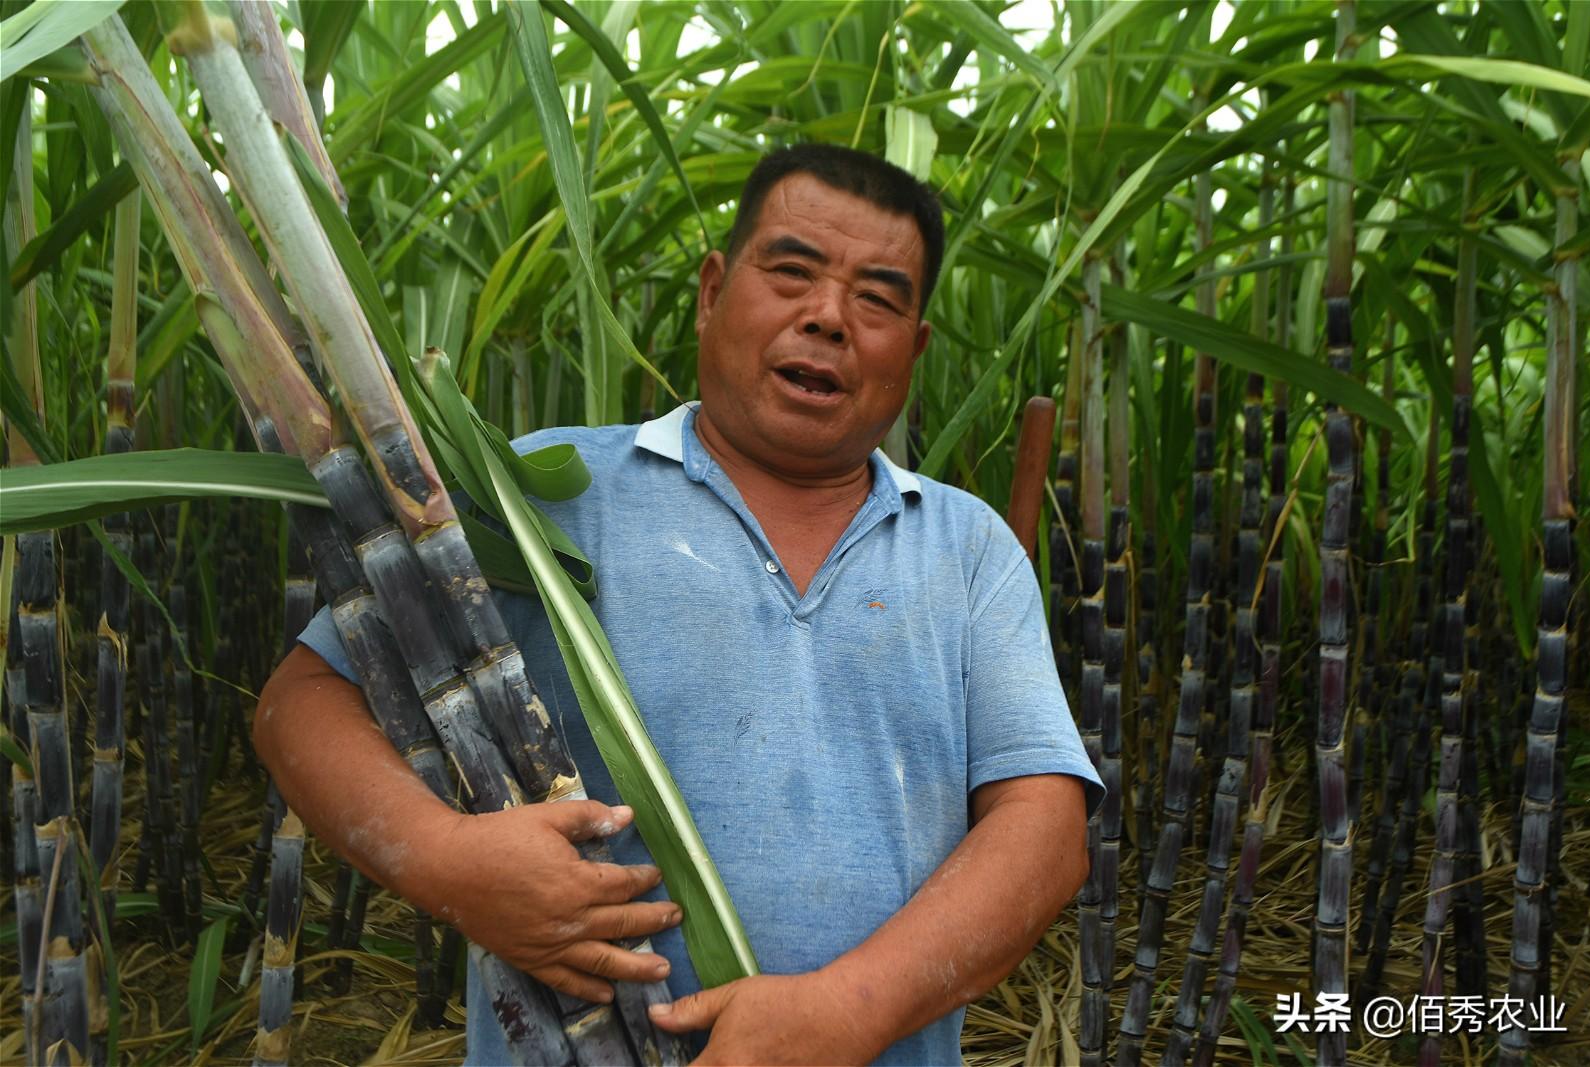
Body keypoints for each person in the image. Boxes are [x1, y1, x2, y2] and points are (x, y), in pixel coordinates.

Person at [255, 143, 1103, 1066]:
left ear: (917, 347)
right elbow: (303, 702)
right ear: (711, 292)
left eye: (879, 298)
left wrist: (849, 1010)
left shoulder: (968, 547)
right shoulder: (546, 491)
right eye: (792, 273)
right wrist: (446, 858)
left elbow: (1044, 830)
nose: (827, 317)